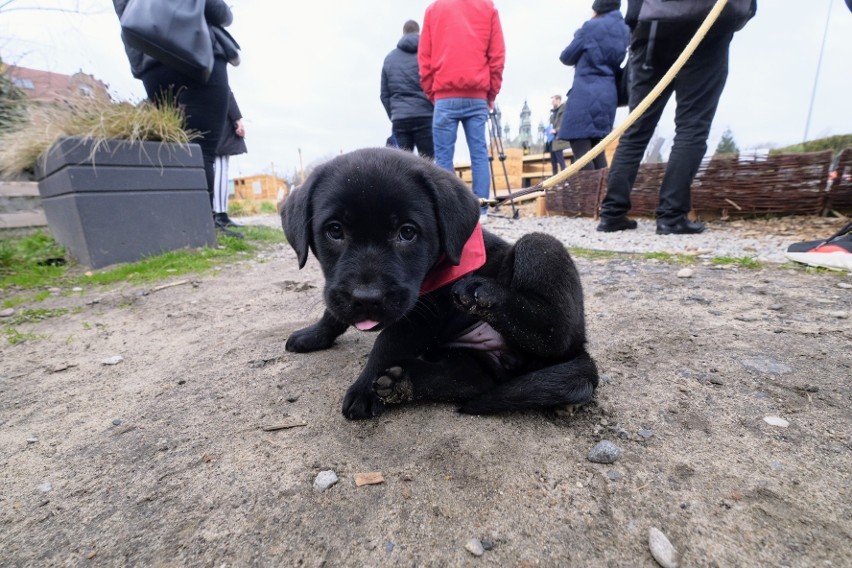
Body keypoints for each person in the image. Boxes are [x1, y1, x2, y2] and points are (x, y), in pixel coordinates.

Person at [596, 0, 756, 234]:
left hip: (651, 24)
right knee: (692, 125)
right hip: (706, 21)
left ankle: (611, 214)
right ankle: (672, 215)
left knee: (636, 128)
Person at [112, 0, 234, 234]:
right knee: (202, 147)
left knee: (174, 146)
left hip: (150, 54)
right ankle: (203, 227)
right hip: (196, 51)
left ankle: (178, 226)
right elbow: (217, 10)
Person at [419, 0, 505, 222]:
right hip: (477, 94)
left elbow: (425, 58)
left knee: (443, 159)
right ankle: (482, 210)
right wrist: (491, 93)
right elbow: (497, 56)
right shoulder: (487, 7)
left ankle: (449, 214)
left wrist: (433, 93)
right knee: (479, 154)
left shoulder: (434, 9)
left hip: (444, 95)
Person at [557, 0, 629, 172]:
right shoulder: (625, 30)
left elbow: (566, 57)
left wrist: (578, 35)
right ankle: (604, 196)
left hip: (585, 94)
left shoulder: (591, 27)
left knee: (580, 148)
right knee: (597, 150)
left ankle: (589, 197)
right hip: (609, 95)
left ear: (598, 7)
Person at [380, 20, 434, 158]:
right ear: (418, 33)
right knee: (430, 165)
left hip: (400, 119)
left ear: (403, 33)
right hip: (426, 117)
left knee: (402, 167)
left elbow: (384, 95)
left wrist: (394, 114)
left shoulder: (389, 59)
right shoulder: (429, 55)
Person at [212, 90, 247, 238]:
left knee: (218, 166)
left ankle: (219, 212)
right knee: (220, 165)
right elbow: (224, 90)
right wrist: (237, 118)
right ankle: (220, 214)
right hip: (217, 117)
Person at [547, 94, 567, 175]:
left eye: (553, 100)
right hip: (552, 141)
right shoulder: (552, 114)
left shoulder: (563, 110)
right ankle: (555, 183)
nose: (552, 102)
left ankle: (566, 180)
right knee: (553, 163)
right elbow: (551, 126)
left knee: (561, 161)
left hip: (559, 139)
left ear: (558, 100)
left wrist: (556, 130)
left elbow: (564, 124)